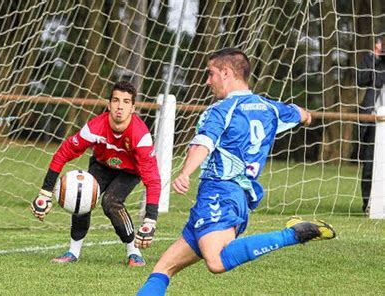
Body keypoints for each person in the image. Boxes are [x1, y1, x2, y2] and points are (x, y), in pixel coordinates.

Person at [137, 48, 336, 295]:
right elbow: (300, 114)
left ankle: (293, 234)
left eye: (210, 74)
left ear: (226, 72)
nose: (208, 81)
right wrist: (306, 116)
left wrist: (186, 172)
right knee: (164, 267)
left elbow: (204, 142)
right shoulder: (270, 108)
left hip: (218, 193)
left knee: (217, 261)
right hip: (238, 198)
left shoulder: (221, 109)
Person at [31, 81, 160, 267]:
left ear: (133, 108)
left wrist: (150, 219)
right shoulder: (95, 127)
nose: (119, 106)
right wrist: (45, 191)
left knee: (111, 202)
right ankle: (73, 252)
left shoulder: (141, 136)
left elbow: (153, 180)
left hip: (130, 171)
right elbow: (63, 152)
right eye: (116, 100)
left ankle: (134, 251)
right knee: (81, 193)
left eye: (125, 102)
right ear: (109, 105)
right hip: (102, 164)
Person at [357, 35, 385, 214]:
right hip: (374, 119)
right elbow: (362, 80)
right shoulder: (370, 59)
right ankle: (368, 204)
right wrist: (376, 58)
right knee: (369, 163)